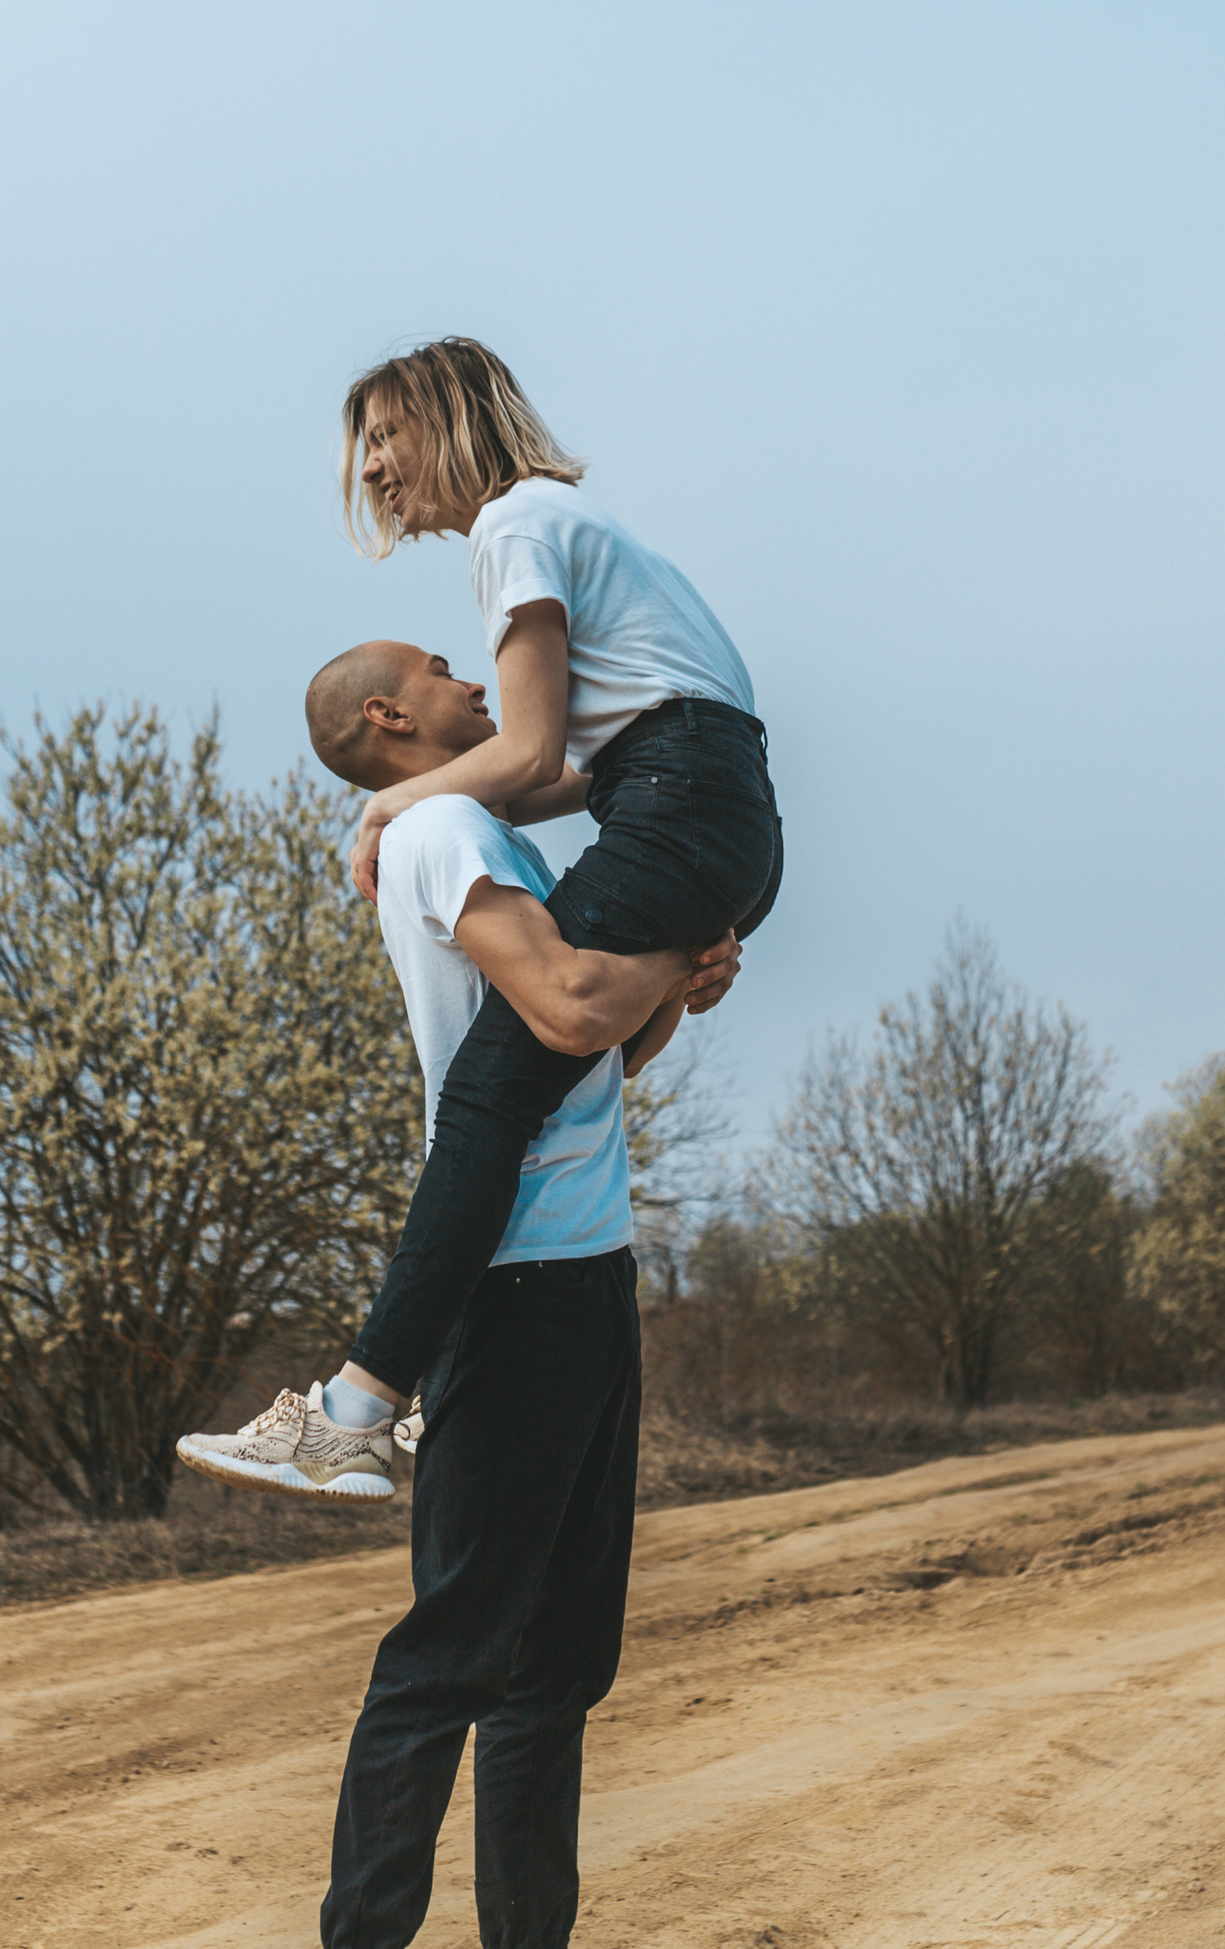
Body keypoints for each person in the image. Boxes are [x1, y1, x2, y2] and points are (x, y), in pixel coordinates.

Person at [179, 639, 739, 1947]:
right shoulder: (440, 834)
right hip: (515, 1287)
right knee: (452, 1658)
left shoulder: (483, 833)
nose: (475, 678)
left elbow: (598, 1058)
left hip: (589, 1283)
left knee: (556, 1670)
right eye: (441, 668)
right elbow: (567, 1006)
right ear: (389, 715)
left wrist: (678, 992)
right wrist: (662, 963)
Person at [334, 338, 782, 1437]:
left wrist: (391, 804)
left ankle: (360, 1406)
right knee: (546, 1060)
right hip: (706, 804)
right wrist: (686, 942)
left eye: (386, 437)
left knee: (485, 1094)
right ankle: (398, 1397)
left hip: (677, 793)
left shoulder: (515, 523)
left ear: (447, 419)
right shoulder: (554, 523)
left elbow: (530, 756)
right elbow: (571, 774)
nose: (374, 471)